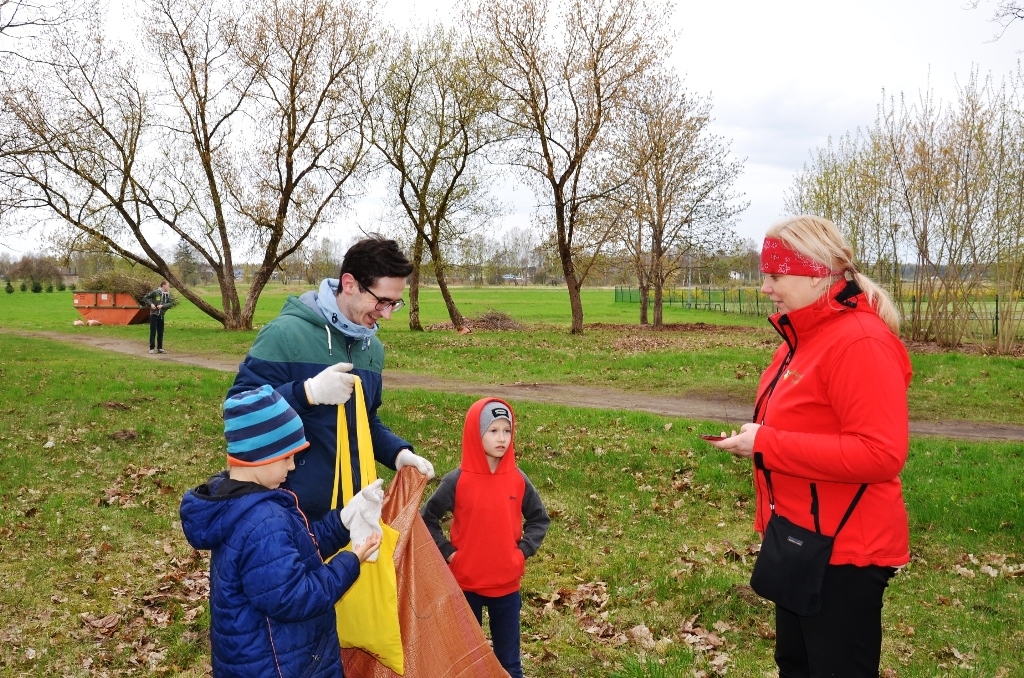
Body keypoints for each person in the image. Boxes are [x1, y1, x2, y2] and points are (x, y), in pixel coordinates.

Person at [707, 215, 911, 677]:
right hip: (802, 540)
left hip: (845, 551)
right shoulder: (802, 337)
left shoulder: (860, 342)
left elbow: (881, 454)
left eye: (776, 276)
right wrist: (756, 438)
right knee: (796, 665)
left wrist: (769, 443)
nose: (765, 288)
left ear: (818, 273)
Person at [180, 384, 383, 678]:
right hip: (284, 665)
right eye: (287, 457)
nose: (292, 466)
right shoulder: (263, 520)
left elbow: (292, 554)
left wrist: (343, 520)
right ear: (260, 457)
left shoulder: (240, 503)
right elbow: (294, 597)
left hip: (261, 657)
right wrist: (351, 561)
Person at [228, 235, 434, 522]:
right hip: (288, 513)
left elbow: (365, 421)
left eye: (395, 304)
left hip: (351, 514)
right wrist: (307, 393)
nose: (387, 315)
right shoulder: (285, 335)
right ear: (349, 284)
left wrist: (398, 454)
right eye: (382, 301)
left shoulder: (371, 348)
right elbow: (239, 411)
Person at [421, 398, 550, 678]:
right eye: (493, 431)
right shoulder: (457, 481)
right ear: (474, 433)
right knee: (468, 662)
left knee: (509, 664)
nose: (502, 438)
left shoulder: (517, 479)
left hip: (506, 587)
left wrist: (520, 553)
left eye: (507, 430)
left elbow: (540, 519)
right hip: (466, 587)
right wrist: (451, 554)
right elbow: (426, 519)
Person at [144, 280, 174, 353]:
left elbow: (170, 303)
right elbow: (145, 298)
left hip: (161, 315)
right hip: (154, 315)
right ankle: (151, 348)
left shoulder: (168, 294)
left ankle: (160, 348)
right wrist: (151, 304)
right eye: (168, 285)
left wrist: (162, 306)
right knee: (153, 332)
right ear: (163, 285)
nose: (169, 287)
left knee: (161, 332)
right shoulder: (155, 292)